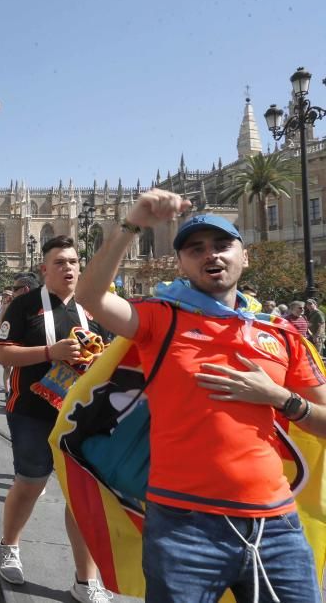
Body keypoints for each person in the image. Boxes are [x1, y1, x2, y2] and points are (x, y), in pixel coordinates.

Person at [76, 200, 326, 601]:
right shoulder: (162, 319)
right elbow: (90, 296)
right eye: (196, 249)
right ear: (180, 263)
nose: (210, 254)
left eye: (221, 244)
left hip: (276, 526)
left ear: (244, 255)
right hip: (183, 525)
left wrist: (279, 398)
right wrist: (132, 224)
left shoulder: (280, 335)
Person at [0, 236, 110, 603]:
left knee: (82, 495)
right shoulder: (24, 305)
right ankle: (9, 545)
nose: (69, 268)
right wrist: (51, 352)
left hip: (81, 416)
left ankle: (84, 580)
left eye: (74, 261)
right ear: (45, 269)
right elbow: (4, 355)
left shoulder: (94, 307)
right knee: (30, 483)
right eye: (60, 262)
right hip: (31, 411)